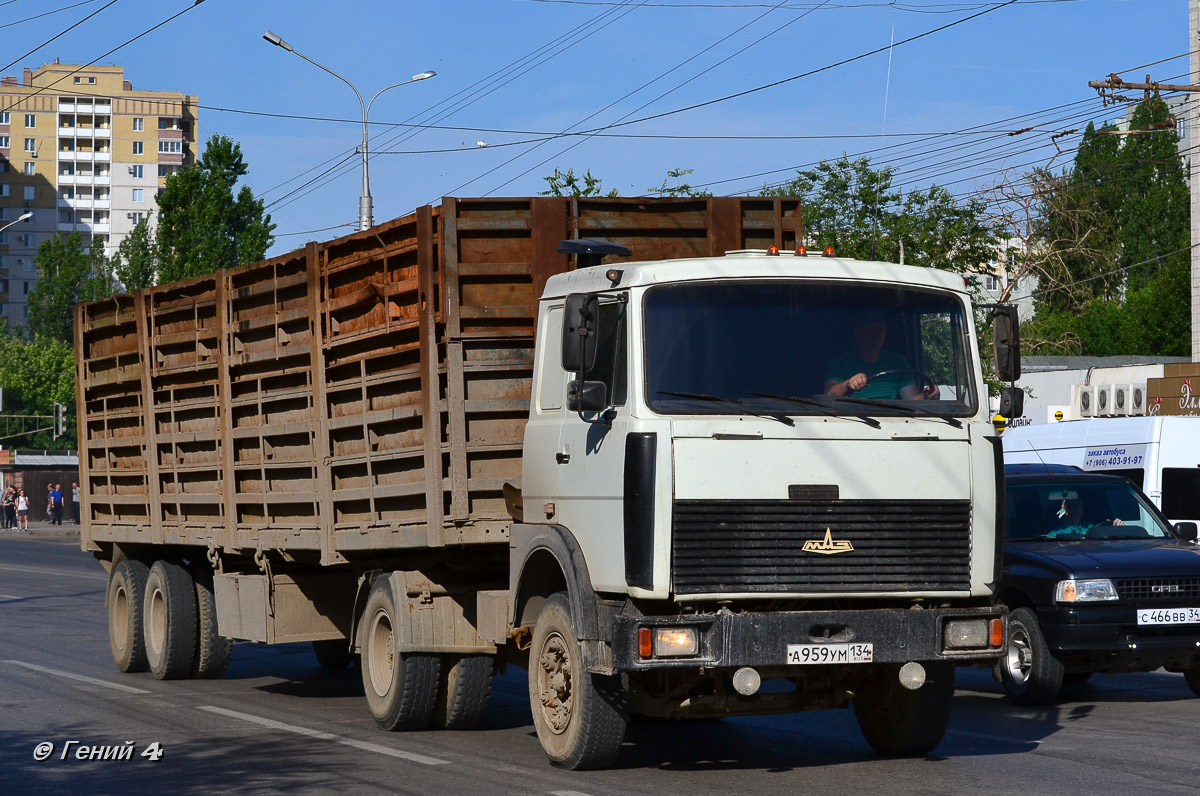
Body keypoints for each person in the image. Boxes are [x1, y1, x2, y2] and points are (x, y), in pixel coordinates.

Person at [824, 309, 940, 400]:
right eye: (871, 328)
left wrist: (927, 396)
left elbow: (912, 399)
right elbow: (829, 394)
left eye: (881, 328)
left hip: (891, 422)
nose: (877, 334)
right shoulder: (839, 362)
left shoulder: (898, 361)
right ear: (857, 332)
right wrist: (848, 384)